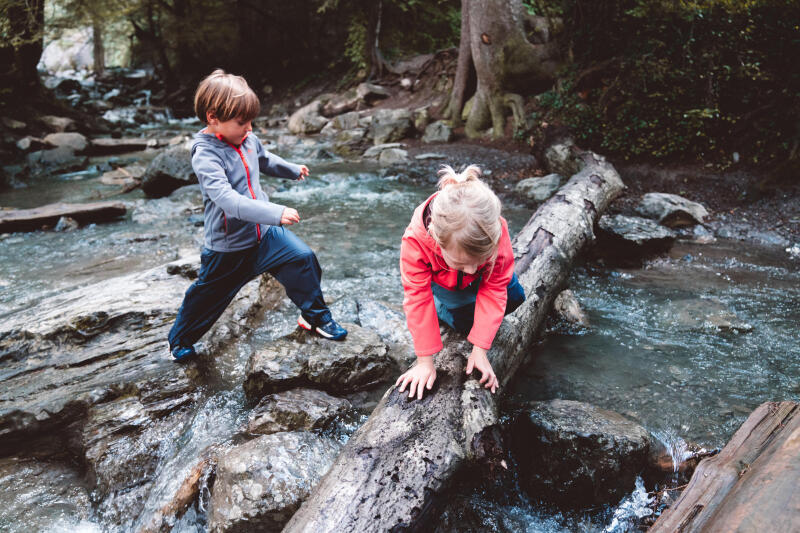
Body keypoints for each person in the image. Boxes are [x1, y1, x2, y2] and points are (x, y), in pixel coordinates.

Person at [168, 69, 347, 361]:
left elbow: (264, 159)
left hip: (264, 234)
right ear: (213, 117)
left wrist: (291, 169)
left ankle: (314, 317)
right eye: (242, 122)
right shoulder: (205, 154)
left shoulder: (246, 137)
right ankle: (180, 340)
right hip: (229, 247)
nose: (249, 128)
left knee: (302, 259)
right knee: (207, 296)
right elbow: (228, 200)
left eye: (251, 120)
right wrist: (276, 212)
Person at [395, 164, 525, 399]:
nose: (472, 270)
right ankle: (442, 307)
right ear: (436, 239)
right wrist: (425, 362)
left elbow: (495, 288)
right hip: (444, 283)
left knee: (516, 297)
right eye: (462, 263)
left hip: (487, 275)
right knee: (465, 323)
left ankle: (463, 303)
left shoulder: (494, 228)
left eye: (478, 261)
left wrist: (480, 350)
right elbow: (417, 298)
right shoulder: (415, 241)